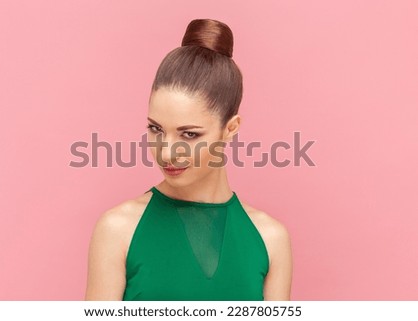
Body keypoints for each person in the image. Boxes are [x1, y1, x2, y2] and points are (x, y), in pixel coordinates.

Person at [85, 18, 292, 301]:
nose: (167, 152)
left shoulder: (270, 240)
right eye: (156, 129)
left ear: (230, 129)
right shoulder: (118, 229)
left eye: (190, 135)